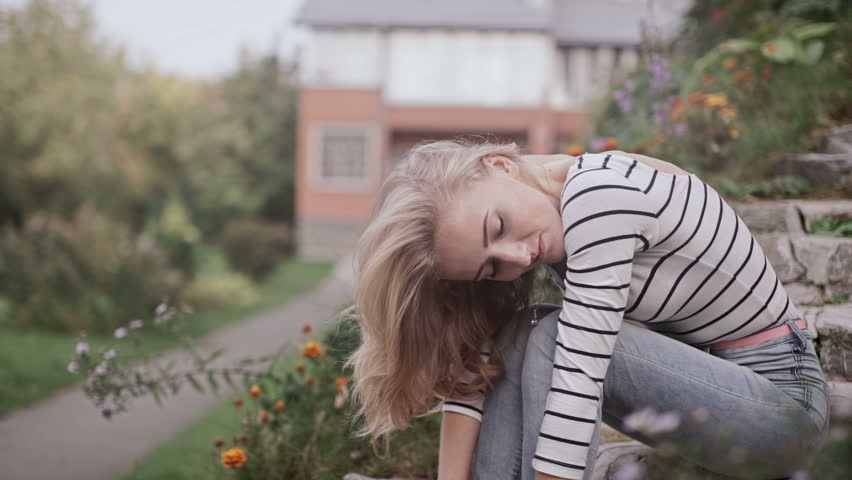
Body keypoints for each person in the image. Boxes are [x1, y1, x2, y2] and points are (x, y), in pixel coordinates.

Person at [342, 138, 830, 480]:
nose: (516, 257)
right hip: (715, 398)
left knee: (550, 336)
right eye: (491, 268)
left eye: (499, 226)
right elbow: (478, 364)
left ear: (500, 165)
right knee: (522, 330)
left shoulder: (598, 198)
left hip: (784, 413)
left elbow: (581, 372)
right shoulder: (549, 204)